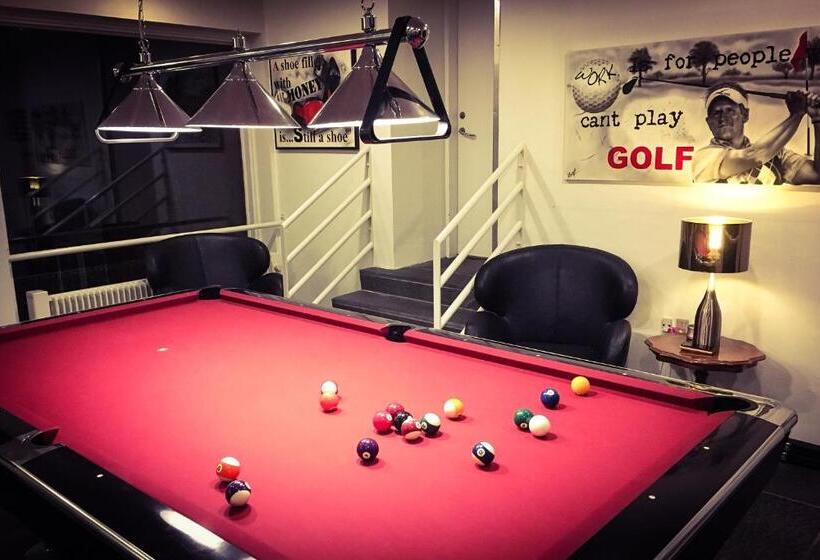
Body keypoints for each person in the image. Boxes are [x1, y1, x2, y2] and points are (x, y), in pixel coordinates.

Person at [692, 83, 820, 185]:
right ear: (709, 122)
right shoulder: (704, 157)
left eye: (730, 110)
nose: (723, 118)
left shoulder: (777, 154)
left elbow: (816, 174)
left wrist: (817, 119)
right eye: (716, 113)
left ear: (745, 115)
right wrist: (797, 115)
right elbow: (755, 155)